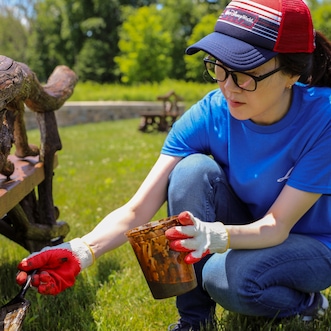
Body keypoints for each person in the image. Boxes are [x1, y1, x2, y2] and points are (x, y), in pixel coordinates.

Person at [16, 0, 331, 330]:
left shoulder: (323, 120)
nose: (226, 86)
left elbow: (278, 226)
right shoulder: (212, 113)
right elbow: (138, 209)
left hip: (310, 242)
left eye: (243, 74)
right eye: (219, 67)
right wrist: (82, 250)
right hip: (249, 227)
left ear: (291, 74)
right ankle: (195, 320)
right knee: (190, 171)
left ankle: (308, 303)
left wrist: (214, 235)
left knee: (228, 279)